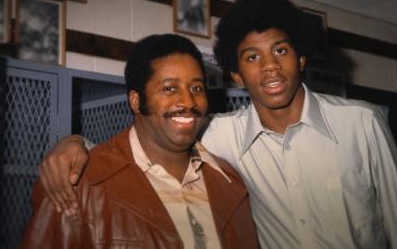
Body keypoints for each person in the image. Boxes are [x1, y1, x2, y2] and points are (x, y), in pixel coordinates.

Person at [37, 0, 397, 249]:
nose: (270, 65)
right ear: (237, 76)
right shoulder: (221, 134)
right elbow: (153, 137)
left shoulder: (363, 124)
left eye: (281, 50)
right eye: (252, 57)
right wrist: (75, 145)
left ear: (301, 57)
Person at [20, 34, 258, 249]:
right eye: (169, 88)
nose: (188, 101)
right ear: (136, 101)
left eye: (196, 87)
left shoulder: (230, 181)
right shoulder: (76, 183)